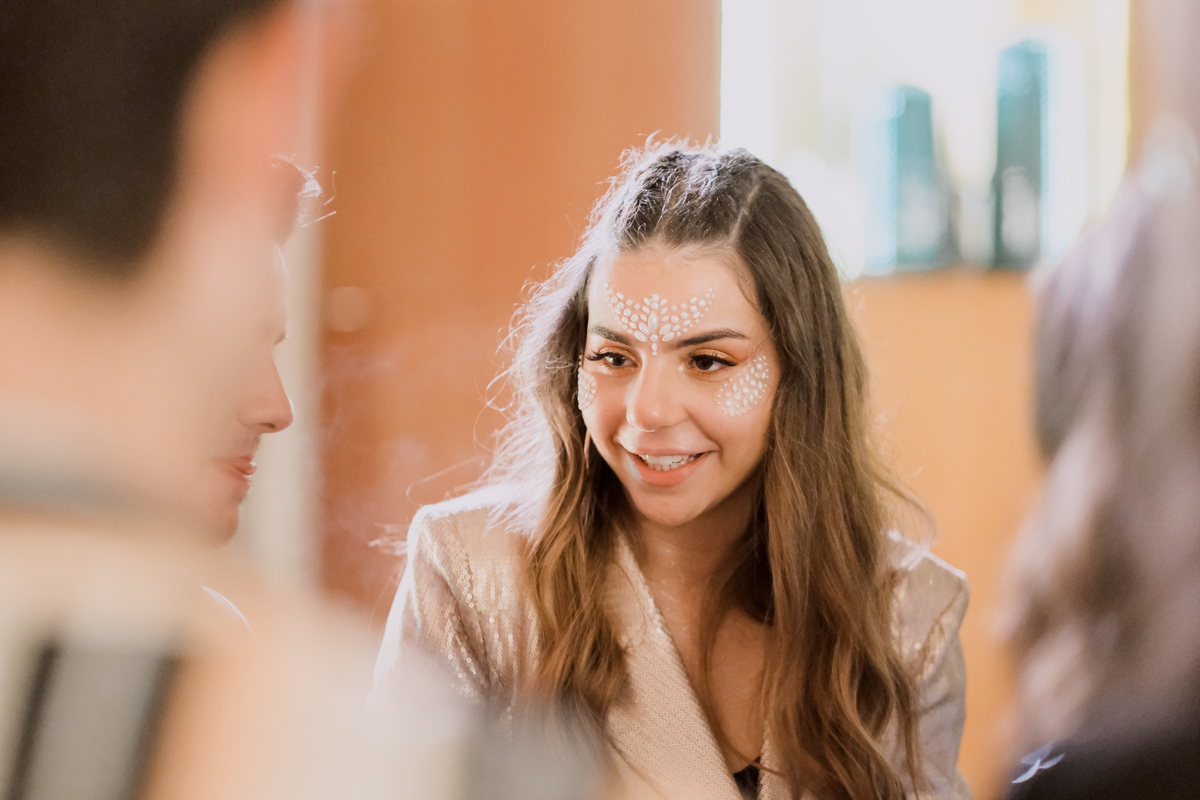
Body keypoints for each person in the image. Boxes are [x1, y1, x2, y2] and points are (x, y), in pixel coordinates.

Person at [375, 144, 971, 800]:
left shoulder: (904, 617)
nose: (648, 410)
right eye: (612, 357)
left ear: (800, 378)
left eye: (708, 362)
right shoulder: (472, 574)